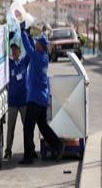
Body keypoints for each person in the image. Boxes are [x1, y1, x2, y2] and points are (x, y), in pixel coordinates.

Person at [19, 22, 65, 164]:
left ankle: (28, 156)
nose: (36, 43)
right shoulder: (44, 57)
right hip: (42, 99)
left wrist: (22, 32)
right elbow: (32, 45)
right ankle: (58, 145)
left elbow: (28, 46)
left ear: (41, 47)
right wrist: (28, 34)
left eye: (38, 42)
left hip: (34, 99)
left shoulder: (37, 58)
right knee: (43, 127)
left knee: (28, 128)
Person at [4, 35, 36, 159]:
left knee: (27, 127)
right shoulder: (9, 63)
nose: (14, 52)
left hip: (24, 101)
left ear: (20, 51)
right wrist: (7, 40)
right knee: (10, 128)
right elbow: (1, 53)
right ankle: (8, 150)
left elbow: (31, 49)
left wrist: (28, 36)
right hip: (12, 102)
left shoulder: (24, 62)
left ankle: (30, 149)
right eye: (12, 50)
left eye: (16, 50)